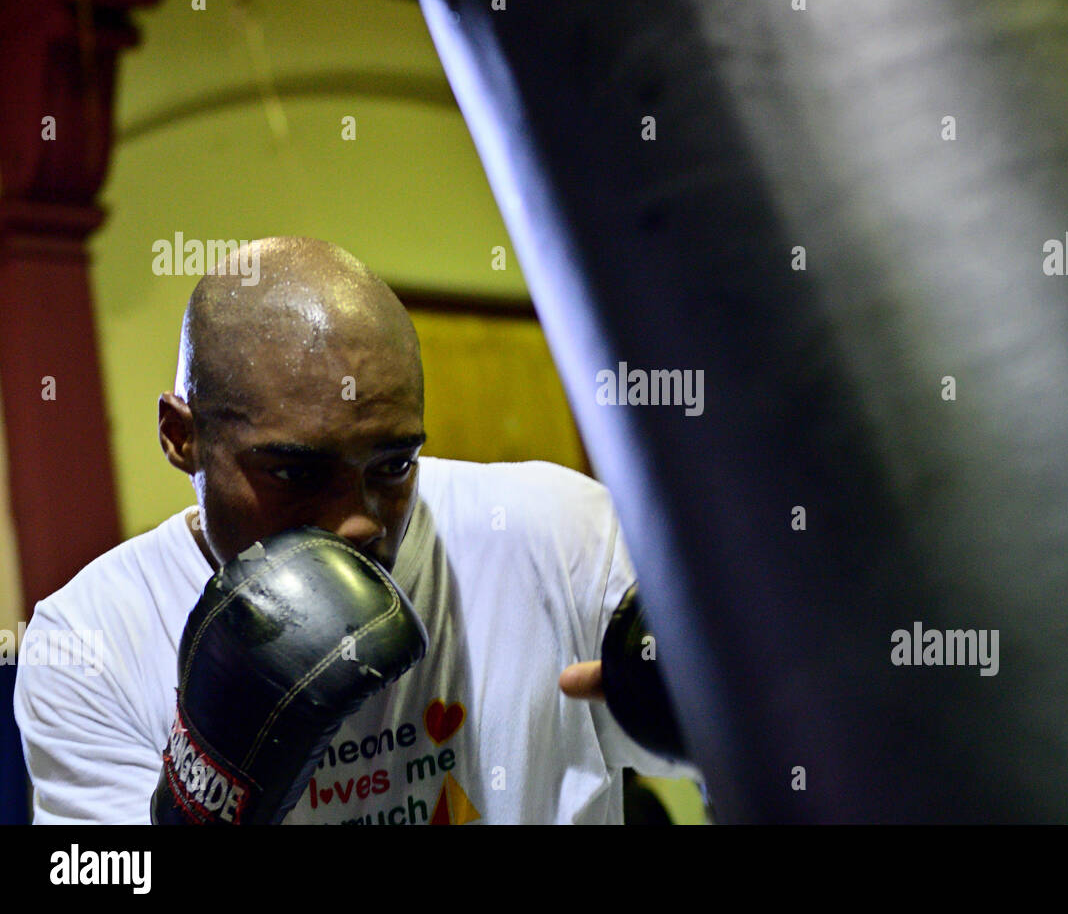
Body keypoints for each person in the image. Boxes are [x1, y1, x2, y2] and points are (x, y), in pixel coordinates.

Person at [14, 236, 691, 824]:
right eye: (295, 473)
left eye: (394, 464)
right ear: (181, 436)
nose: (360, 520)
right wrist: (200, 807)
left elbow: (775, 749)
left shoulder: (557, 537)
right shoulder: (92, 638)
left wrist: (712, 712)